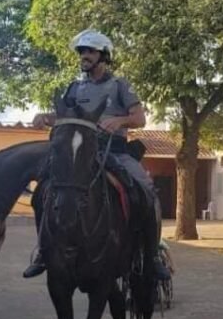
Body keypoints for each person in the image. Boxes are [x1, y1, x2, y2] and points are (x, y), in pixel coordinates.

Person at [23, 29, 171, 281]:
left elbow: (140, 118)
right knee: (42, 191)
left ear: (104, 55)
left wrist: (120, 120)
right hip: (79, 153)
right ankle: (43, 251)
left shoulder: (120, 85)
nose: (84, 56)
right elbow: (64, 118)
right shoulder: (73, 88)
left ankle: (152, 255)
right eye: (81, 52)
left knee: (145, 189)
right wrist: (45, 118)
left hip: (114, 150)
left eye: (89, 51)